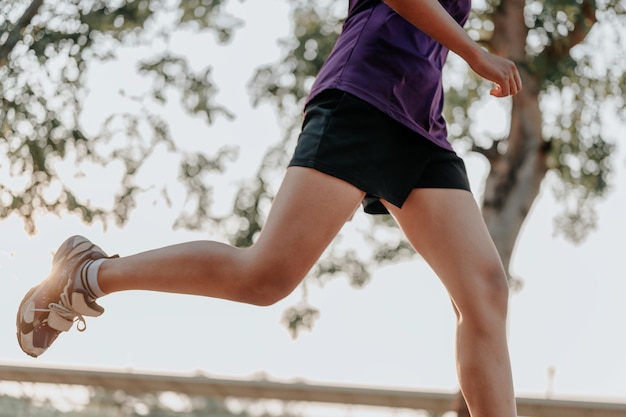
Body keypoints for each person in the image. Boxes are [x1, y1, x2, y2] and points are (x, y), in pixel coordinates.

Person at [17, 0, 521, 416]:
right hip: (362, 97)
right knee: (265, 277)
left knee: (485, 292)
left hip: (420, 119)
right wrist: (476, 54)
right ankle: (91, 274)